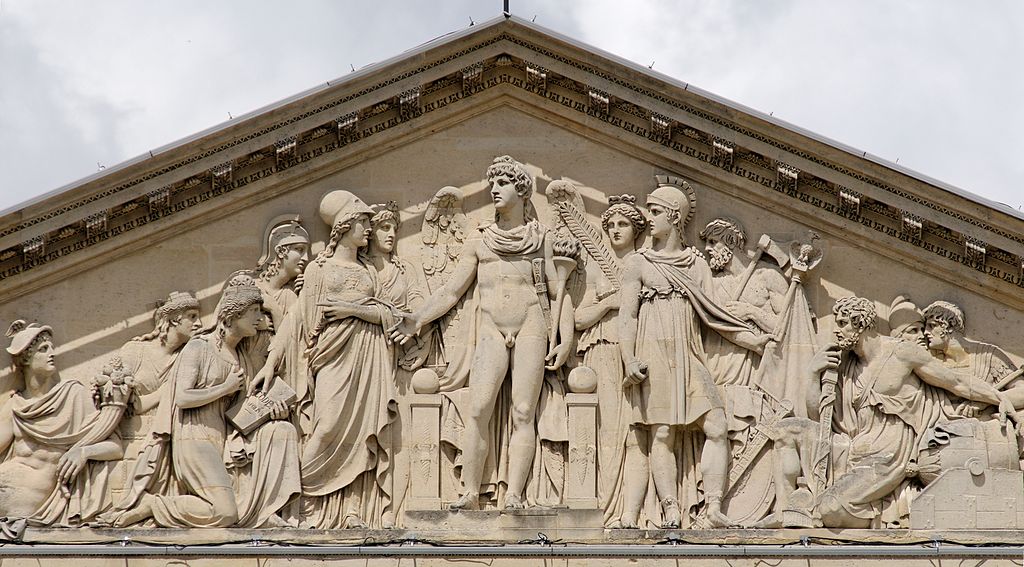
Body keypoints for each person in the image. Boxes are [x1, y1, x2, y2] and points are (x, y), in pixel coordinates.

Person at [391, 155, 574, 510]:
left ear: (521, 190)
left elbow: (558, 292)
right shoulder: (479, 240)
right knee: (477, 410)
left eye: (502, 184)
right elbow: (450, 291)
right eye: (492, 184)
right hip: (490, 328)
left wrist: (565, 338)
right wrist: (417, 319)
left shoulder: (540, 239)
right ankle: (471, 491)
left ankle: (516, 494)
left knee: (523, 411)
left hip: (532, 326)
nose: (494, 190)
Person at [618, 180, 769, 528]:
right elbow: (627, 316)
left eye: (654, 211)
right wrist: (628, 359)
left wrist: (755, 341)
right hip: (652, 355)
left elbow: (715, 315)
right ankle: (670, 506)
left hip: (689, 356)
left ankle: (714, 506)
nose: (648, 218)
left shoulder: (695, 264)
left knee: (716, 424)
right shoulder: (639, 264)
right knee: (660, 433)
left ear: (674, 217)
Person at [255, 190, 398, 529]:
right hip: (331, 359)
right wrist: (271, 361)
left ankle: (352, 510)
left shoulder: (370, 271)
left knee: (361, 437)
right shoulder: (320, 270)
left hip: (368, 358)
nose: (368, 229)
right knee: (327, 428)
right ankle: (293, 502)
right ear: (345, 225)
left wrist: (355, 310)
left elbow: (389, 313)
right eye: (363, 222)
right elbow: (297, 321)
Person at [812, 296, 1015, 528]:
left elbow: (955, 382)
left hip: (891, 455)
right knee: (818, 505)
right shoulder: (848, 366)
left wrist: (998, 398)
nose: (835, 331)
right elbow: (817, 413)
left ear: (859, 322)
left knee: (827, 509)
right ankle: (885, 511)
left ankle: (885, 515)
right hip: (855, 452)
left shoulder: (902, 353)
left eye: (841, 323)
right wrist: (811, 372)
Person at [110, 282, 299, 528]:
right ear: (234, 313)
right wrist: (225, 387)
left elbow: (243, 409)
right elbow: (183, 397)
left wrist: (271, 412)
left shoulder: (240, 355)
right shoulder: (199, 347)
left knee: (283, 431)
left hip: (223, 437)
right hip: (194, 438)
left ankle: (265, 511)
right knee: (224, 513)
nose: (259, 318)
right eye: (254, 311)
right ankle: (154, 505)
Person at [0, 321, 125, 526]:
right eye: (43, 349)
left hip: (34, 496)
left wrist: (84, 452)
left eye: (51, 347)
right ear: (25, 358)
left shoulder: (73, 395)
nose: (52, 353)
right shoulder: (16, 405)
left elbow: (115, 448)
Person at [573, 195, 649, 527]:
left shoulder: (647, 263)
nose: (616, 230)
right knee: (606, 429)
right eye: (611, 225)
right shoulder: (596, 270)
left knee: (636, 432)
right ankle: (604, 502)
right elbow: (579, 319)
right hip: (601, 348)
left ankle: (629, 512)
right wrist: (609, 304)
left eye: (623, 224)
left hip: (638, 354)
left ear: (637, 229)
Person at [363, 200, 427, 527]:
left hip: (401, 367)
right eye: (383, 227)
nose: (390, 234)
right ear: (367, 232)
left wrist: (420, 341)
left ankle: (395, 512)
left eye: (394, 228)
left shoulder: (407, 270)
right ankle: (363, 510)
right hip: (364, 365)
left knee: (400, 441)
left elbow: (422, 309)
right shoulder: (357, 269)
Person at [108, 291, 201, 509]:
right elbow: (120, 404)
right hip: (131, 446)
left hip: (167, 451)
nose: (199, 323)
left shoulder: (187, 359)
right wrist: (167, 391)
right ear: (175, 318)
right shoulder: (135, 351)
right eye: (193, 316)